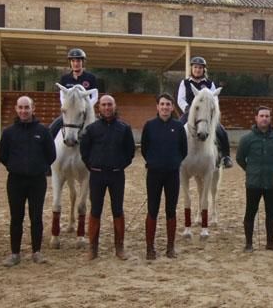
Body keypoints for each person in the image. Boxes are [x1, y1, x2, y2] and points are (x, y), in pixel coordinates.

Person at [0, 96, 56, 266]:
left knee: (36, 216)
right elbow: (3, 155)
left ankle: (36, 252)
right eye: (21, 107)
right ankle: (15, 253)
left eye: (27, 107)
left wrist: (39, 167)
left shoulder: (43, 131)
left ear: (33, 108)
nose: (24, 111)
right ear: (16, 109)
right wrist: (15, 166)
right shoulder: (9, 132)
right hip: (15, 180)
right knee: (16, 217)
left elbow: (51, 155)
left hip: (37, 181)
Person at [80, 95, 136, 260]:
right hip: (97, 175)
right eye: (103, 104)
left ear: (114, 106)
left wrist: (119, 165)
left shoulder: (124, 128)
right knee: (95, 210)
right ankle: (93, 248)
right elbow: (84, 152)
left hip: (117, 175)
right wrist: (93, 165)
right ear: (99, 108)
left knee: (117, 210)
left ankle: (119, 247)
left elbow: (130, 152)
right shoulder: (91, 129)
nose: (106, 107)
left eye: (109, 104)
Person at [140, 93, 188, 260]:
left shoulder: (179, 127)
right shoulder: (149, 125)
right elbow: (144, 148)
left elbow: (184, 150)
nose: (165, 107)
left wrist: (173, 162)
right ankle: (150, 248)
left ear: (172, 107)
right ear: (157, 107)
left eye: (168, 104)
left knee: (171, 210)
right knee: (152, 209)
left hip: (172, 174)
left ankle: (170, 247)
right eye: (162, 104)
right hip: (154, 173)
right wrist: (155, 162)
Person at [237, 106, 273, 252]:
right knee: (250, 213)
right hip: (254, 182)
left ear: (270, 119)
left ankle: (270, 242)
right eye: (262, 116)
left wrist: (270, 169)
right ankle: (249, 244)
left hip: (272, 182)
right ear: (256, 118)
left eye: (267, 116)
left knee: (271, 213)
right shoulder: (247, 139)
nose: (264, 118)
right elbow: (240, 158)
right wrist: (251, 169)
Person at [176, 56, 233, 169]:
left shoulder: (210, 84)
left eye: (200, 67)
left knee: (221, 131)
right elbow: (180, 98)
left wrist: (212, 109)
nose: (197, 69)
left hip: (206, 114)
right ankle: (173, 153)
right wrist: (187, 108)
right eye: (195, 67)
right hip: (190, 112)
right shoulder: (185, 83)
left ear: (204, 70)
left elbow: (214, 98)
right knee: (177, 129)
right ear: (192, 68)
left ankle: (225, 157)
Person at [49, 48, 99, 141]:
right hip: (69, 113)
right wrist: (66, 106)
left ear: (82, 62)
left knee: (100, 130)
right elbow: (62, 96)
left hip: (85, 112)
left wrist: (87, 106)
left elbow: (95, 95)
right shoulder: (65, 78)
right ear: (70, 62)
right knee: (52, 128)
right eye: (73, 61)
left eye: (78, 61)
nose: (76, 63)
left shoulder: (91, 78)